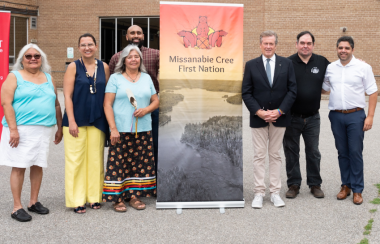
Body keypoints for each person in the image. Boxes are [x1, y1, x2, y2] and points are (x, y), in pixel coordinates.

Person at [0, 44, 62, 222]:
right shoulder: (14, 77)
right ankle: (16, 207)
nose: (33, 58)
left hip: (43, 129)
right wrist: (13, 129)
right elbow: (6, 103)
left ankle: (33, 202)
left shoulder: (48, 77)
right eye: (28, 56)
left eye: (37, 56)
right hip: (20, 129)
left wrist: (59, 126)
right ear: (22, 59)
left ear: (42, 59)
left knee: (37, 164)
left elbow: (56, 104)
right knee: (19, 166)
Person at [242, 31, 297, 209]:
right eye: (265, 43)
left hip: (279, 118)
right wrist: (258, 112)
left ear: (276, 45)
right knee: (258, 156)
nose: (268, 46)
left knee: (275, 155)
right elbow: (246, 92)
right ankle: (259, 192)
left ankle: (275, 192)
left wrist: (279, 111)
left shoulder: (287, 64)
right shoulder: (251, 65)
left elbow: (292, 91)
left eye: (271, 44)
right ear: (260, 45)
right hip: (259, 118)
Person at [102, 44, 159, 212]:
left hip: (143, 128)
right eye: (130, 57)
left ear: (140, 59)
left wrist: (146, 109)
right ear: (124, 60)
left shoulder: (147, 78)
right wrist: (113, 128)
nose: (133, 59)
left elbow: (156, 101)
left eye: (136, 56)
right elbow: (107, 104)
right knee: (118, 163)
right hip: (120, 128)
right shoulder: (115, 78)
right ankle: (117, 198)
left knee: (139, 163)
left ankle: (134, 195)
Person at [322, 36, 377, 205]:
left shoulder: (363, 67)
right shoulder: (330, 68)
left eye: (346, 48)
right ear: (337, 49)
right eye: (340, 48)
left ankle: (358, 189)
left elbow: (373, 92)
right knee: (342, 152)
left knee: (355, 152)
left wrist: (370, 116)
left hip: (356, 115)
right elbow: (324, 89)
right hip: (336, 115)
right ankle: (345, 185)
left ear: (352, 49)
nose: (343, 50)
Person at [62, 33, 110, 213]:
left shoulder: (104, 67)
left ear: (96, 46)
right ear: (79, 48)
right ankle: (77, 200)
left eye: (90, 44)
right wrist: (72, 121)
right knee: (75, 161)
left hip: (98, 120)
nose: (87, 47)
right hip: (76, 120)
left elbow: (107, 93)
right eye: (83, 45)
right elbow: (67, 95)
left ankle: (94, 197)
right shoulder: (73, 67)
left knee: (96, 160)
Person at [284, 31, 330, 199]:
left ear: (313, 45)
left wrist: (357, 62)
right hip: (291, 117)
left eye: (308, 43)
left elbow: (340, 70)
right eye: (302, 43)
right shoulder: (287, 62)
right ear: (296, 44)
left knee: (313, 152)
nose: (305, 46)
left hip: (312, 117)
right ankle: (294, 184)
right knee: (291, 151)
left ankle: (315, 184)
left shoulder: (322, 61)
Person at [109, 25, 160, 171]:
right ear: (127, 36)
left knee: (151, 145)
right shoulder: (116, 57)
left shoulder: (156, 54)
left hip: (149, 107)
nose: (135, 35)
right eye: (132, 33)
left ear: (143, 36)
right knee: (124, 147)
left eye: (139, 33)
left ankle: (152, 180)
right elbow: (112, 85)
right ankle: (125, 179)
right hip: (124, 109)